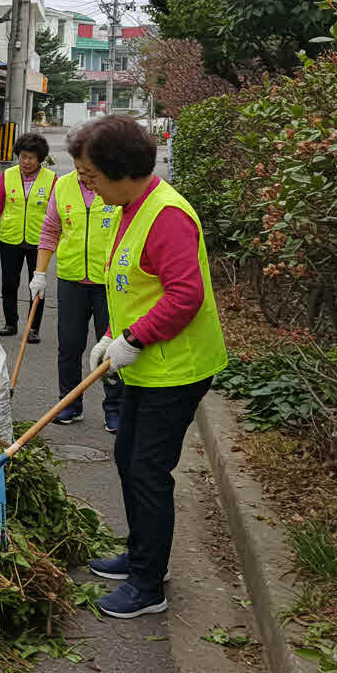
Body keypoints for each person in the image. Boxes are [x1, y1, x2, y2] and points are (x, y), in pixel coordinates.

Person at [76, 115, 227, 619]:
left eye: (91, 176)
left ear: (121, 170)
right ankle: (143, 555)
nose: (88, 187)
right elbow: (134, 285)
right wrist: (111, 335)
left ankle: (147, 585)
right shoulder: (129, 207)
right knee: (128, 458)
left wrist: (135, 338)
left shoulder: (166, 216)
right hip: (147, 363)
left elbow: (185, 295)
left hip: (176, 368)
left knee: (147, 469)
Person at [30, 125, 124, 430]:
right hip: (71, 279)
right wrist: (39, 273)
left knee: (111, 347)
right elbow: (50, 229)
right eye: (78, 163)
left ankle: (115, 407)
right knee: (69, 346)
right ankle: (69, 403)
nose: (82, 172)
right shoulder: (63, 186)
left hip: (108, 282)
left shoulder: (116, 186)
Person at [0, 133, 56, 342]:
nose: (26, 161)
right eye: (22, 156)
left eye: (31, 157)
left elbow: (56, 213)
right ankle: (10, 322)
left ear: (40, 159)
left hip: (39, 241)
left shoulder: (51, 179)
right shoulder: (8, 175)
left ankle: (33, 328)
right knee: (9, 283)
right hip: (10, 238)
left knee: (37, 284)